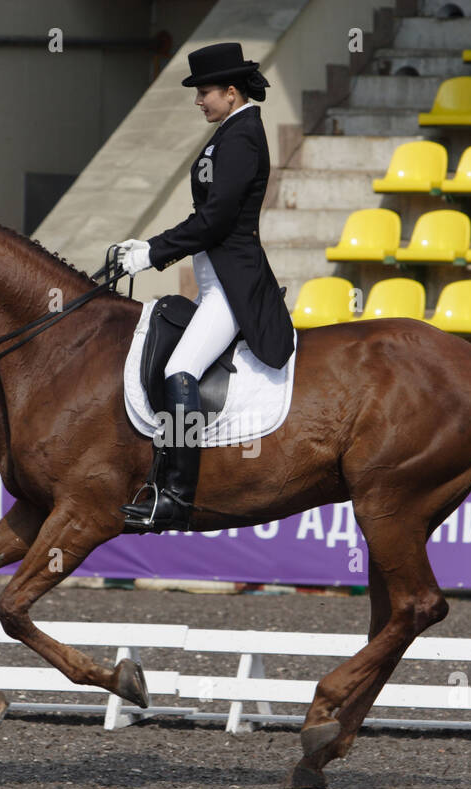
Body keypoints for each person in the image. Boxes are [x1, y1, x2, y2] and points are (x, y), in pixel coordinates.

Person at [114, 42, 294, 532]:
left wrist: (153, 251)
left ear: (231, 92)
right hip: (215, 282)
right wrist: (152, 246)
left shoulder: (240, 137)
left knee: (180, 371)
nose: (199, 101)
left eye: (204, 93)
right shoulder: (232, 131)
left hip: (233, 288)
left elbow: (214, 220)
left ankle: (176, 493)